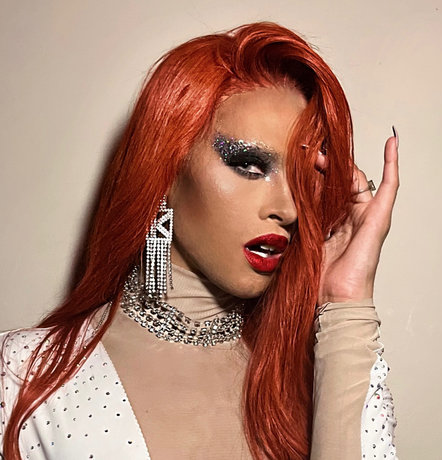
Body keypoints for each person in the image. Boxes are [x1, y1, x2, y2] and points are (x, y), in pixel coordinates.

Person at [0, 22, 399, 459]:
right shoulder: (24, 375)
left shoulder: (313, 374)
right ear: (166, 172)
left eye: (300, 178)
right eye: (249, 165)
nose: (288, 208)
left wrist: (344, 305)